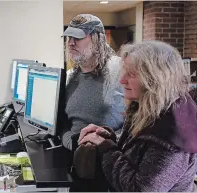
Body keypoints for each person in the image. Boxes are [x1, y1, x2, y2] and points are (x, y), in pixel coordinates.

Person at [78, 40, 197, 191]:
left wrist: (106, 148)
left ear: (156, 79)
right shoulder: (144, 108)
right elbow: (135, 155)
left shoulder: (173, 137)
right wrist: (108, 138)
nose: (122, 80)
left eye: (132, 74)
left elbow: (139, 189)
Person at [61, 14, 125, 150]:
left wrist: (107, 143)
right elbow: (62, 123)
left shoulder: (119, 69)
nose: (71, 43)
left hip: (109, 156)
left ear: (97, 39)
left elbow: (138, 120)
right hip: (76, 157)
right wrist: (72, 144)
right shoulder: (70, 76)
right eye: (69, 37)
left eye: (78, 37)